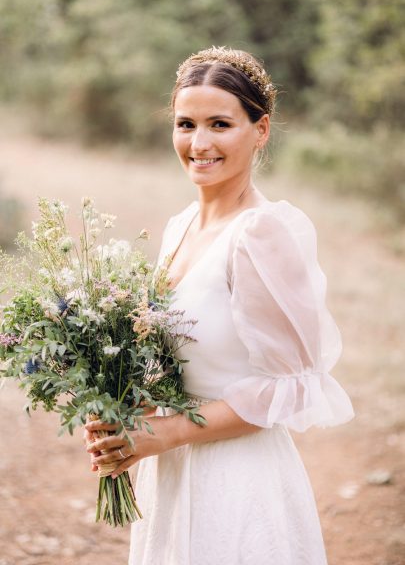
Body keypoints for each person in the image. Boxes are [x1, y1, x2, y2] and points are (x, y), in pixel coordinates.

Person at [85, 46, 354, 565]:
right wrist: (123, 415)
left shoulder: (263, 233)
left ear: (261, 130)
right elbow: (164, 355)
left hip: (238, 483)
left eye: (220, 124)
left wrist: (162, 433)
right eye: (186, 123)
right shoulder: (179, 226)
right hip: (171, 477)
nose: (199, 142)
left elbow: (290, 385)